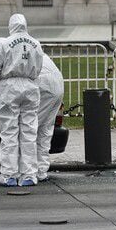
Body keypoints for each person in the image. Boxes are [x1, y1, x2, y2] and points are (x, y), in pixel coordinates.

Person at [0, 13, 43, 186]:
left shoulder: (4, 43)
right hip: (31, 86)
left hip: (9, 87)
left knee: (9, 132)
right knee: (29, 132)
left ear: (10, 26)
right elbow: (39, 67)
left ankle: (9, 174)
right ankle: (29, 174)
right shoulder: (36, 43)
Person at [35, 51, 65, 181]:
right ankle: (41, 171)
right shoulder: (35, 49)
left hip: (44, 86)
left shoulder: (9, 50)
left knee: (30, 130)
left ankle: (27, 171)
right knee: (45, 130)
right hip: (57, 84)